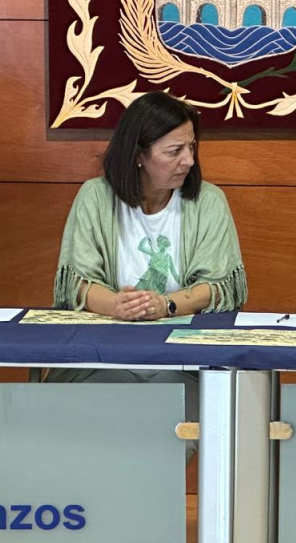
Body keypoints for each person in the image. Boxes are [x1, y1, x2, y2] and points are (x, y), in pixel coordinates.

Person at [49, 91, 247, 413]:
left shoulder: (208, 201)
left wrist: (165, 305)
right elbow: (79, 284)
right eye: (174, 151)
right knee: (97, 406)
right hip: (103, 355)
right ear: (138, 155)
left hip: (183, 360)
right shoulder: (95, 198)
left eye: (192, 147)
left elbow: (217, 287)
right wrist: (117, 305)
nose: (189, 160)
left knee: (176, 408)